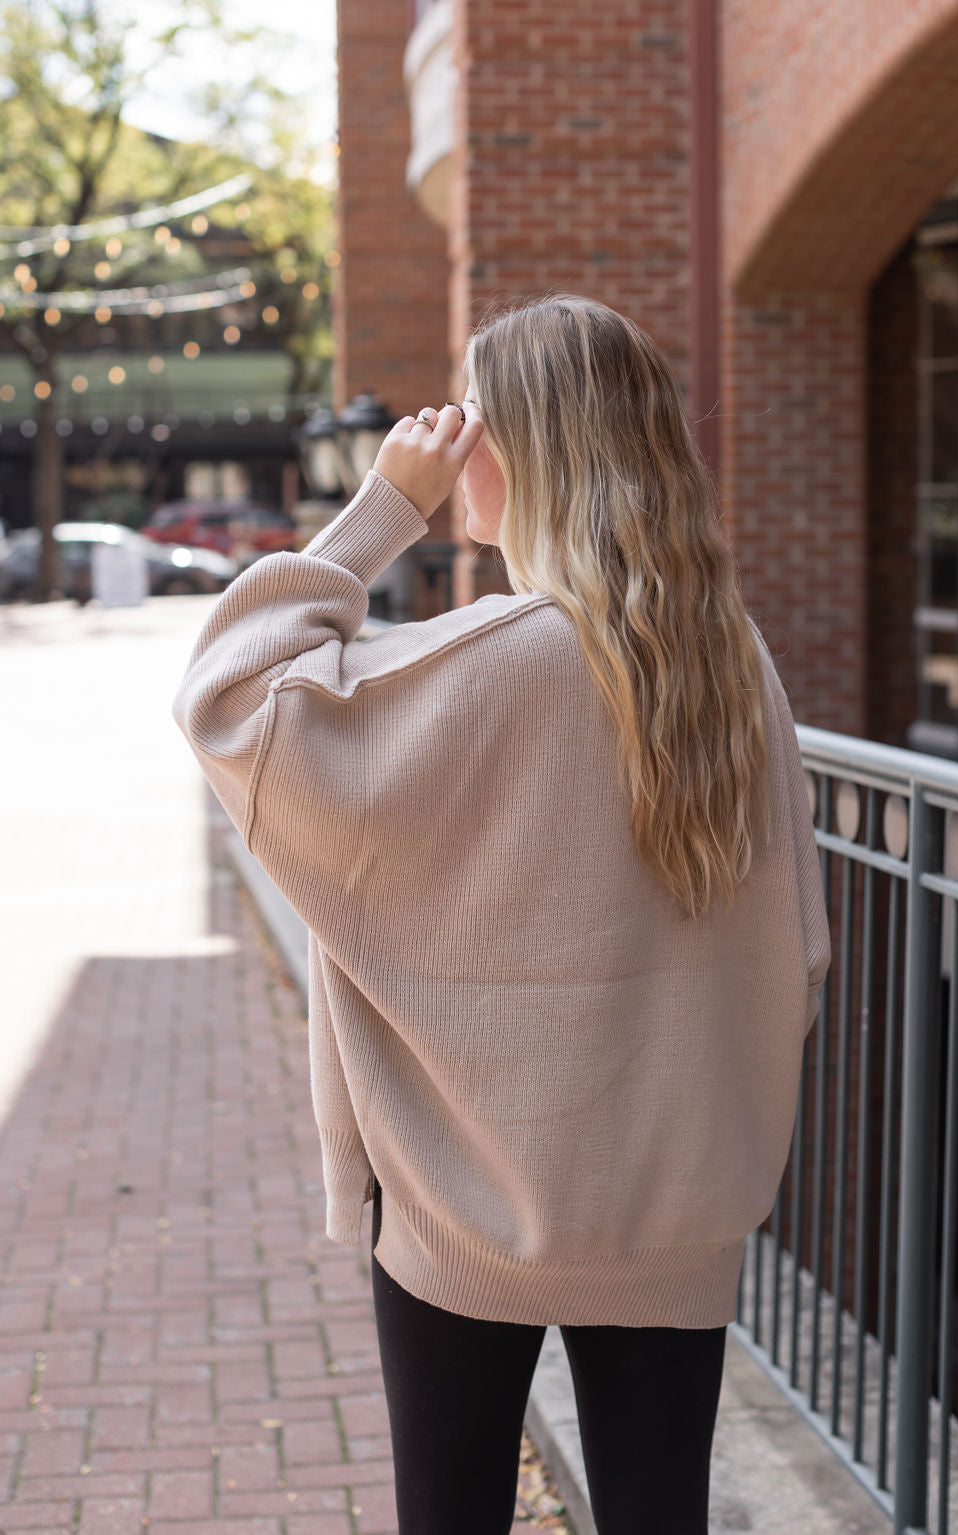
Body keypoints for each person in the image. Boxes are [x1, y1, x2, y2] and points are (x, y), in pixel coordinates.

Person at [172, 293, 831, 1535]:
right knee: (657, 1514)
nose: (450, 440)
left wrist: (380, 509)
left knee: (451, 1512)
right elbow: (793, 950)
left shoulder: (483, 659)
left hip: (454, 1194)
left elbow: (227, 700)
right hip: (675, 1198)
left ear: (528, 443)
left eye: (470, 416)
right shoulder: (731, 660)